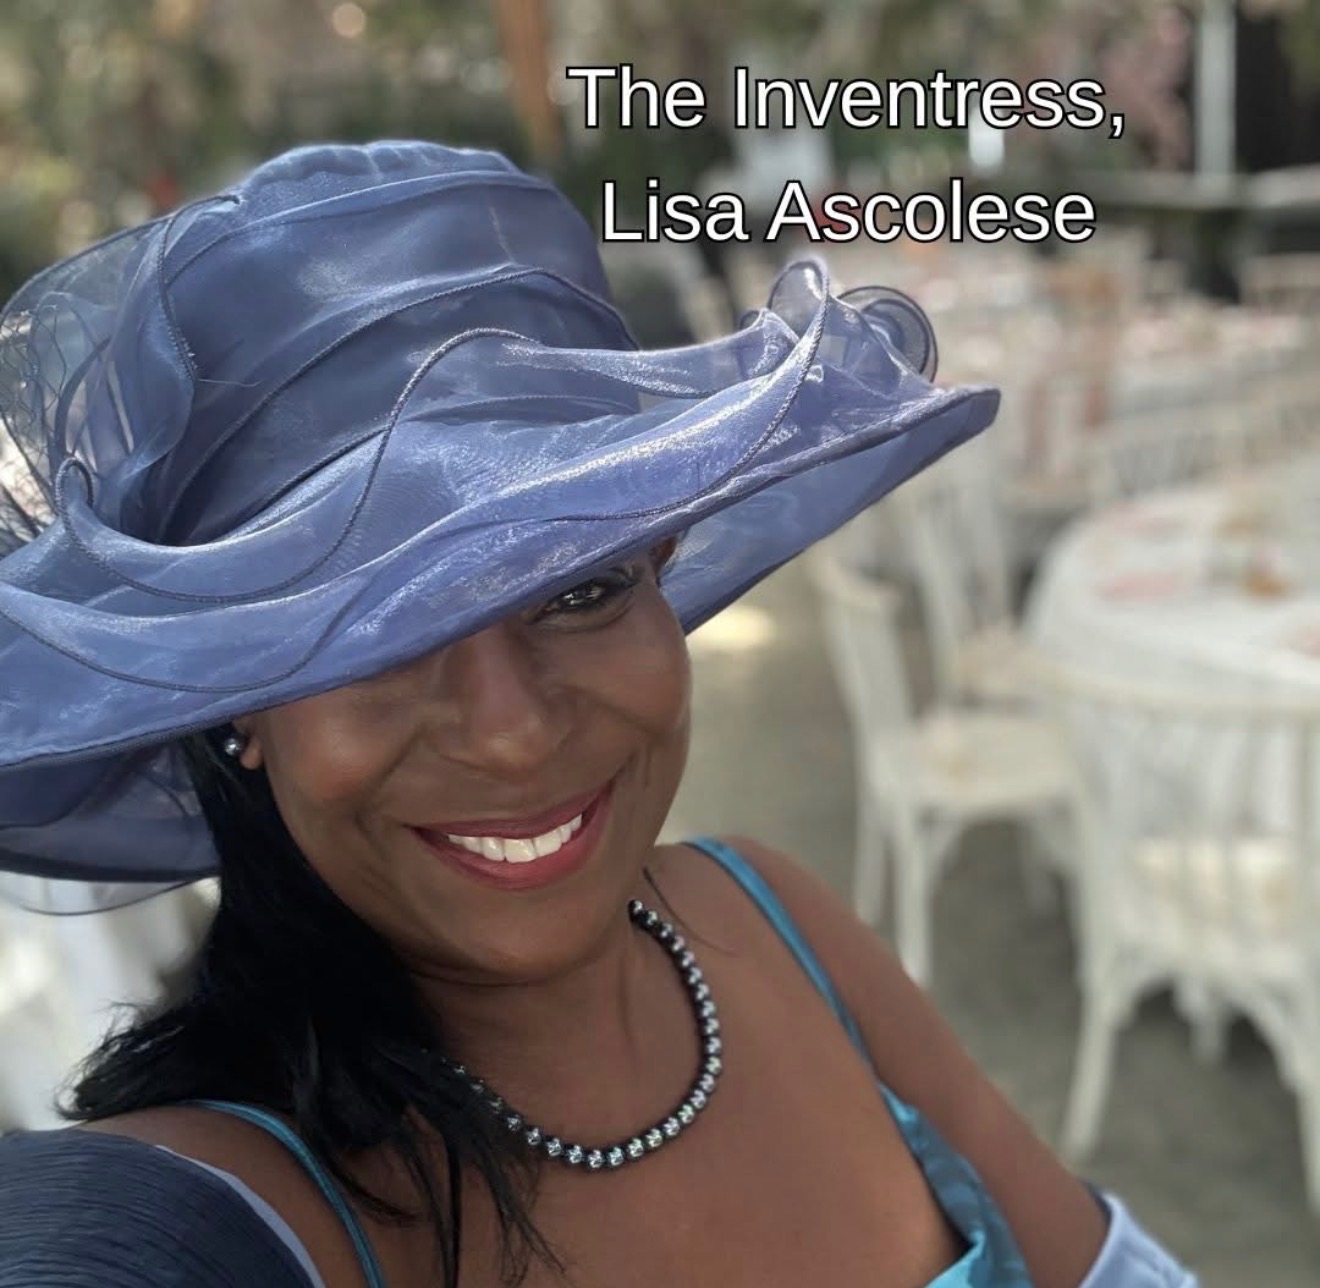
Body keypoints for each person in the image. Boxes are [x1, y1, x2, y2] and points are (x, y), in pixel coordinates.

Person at [0, 141, 1195, 1287]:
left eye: (581, 589)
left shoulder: (779, 922)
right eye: (374, 635)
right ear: (237, 705)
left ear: (662, 569)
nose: (512, 731)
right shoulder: (227, 1203)